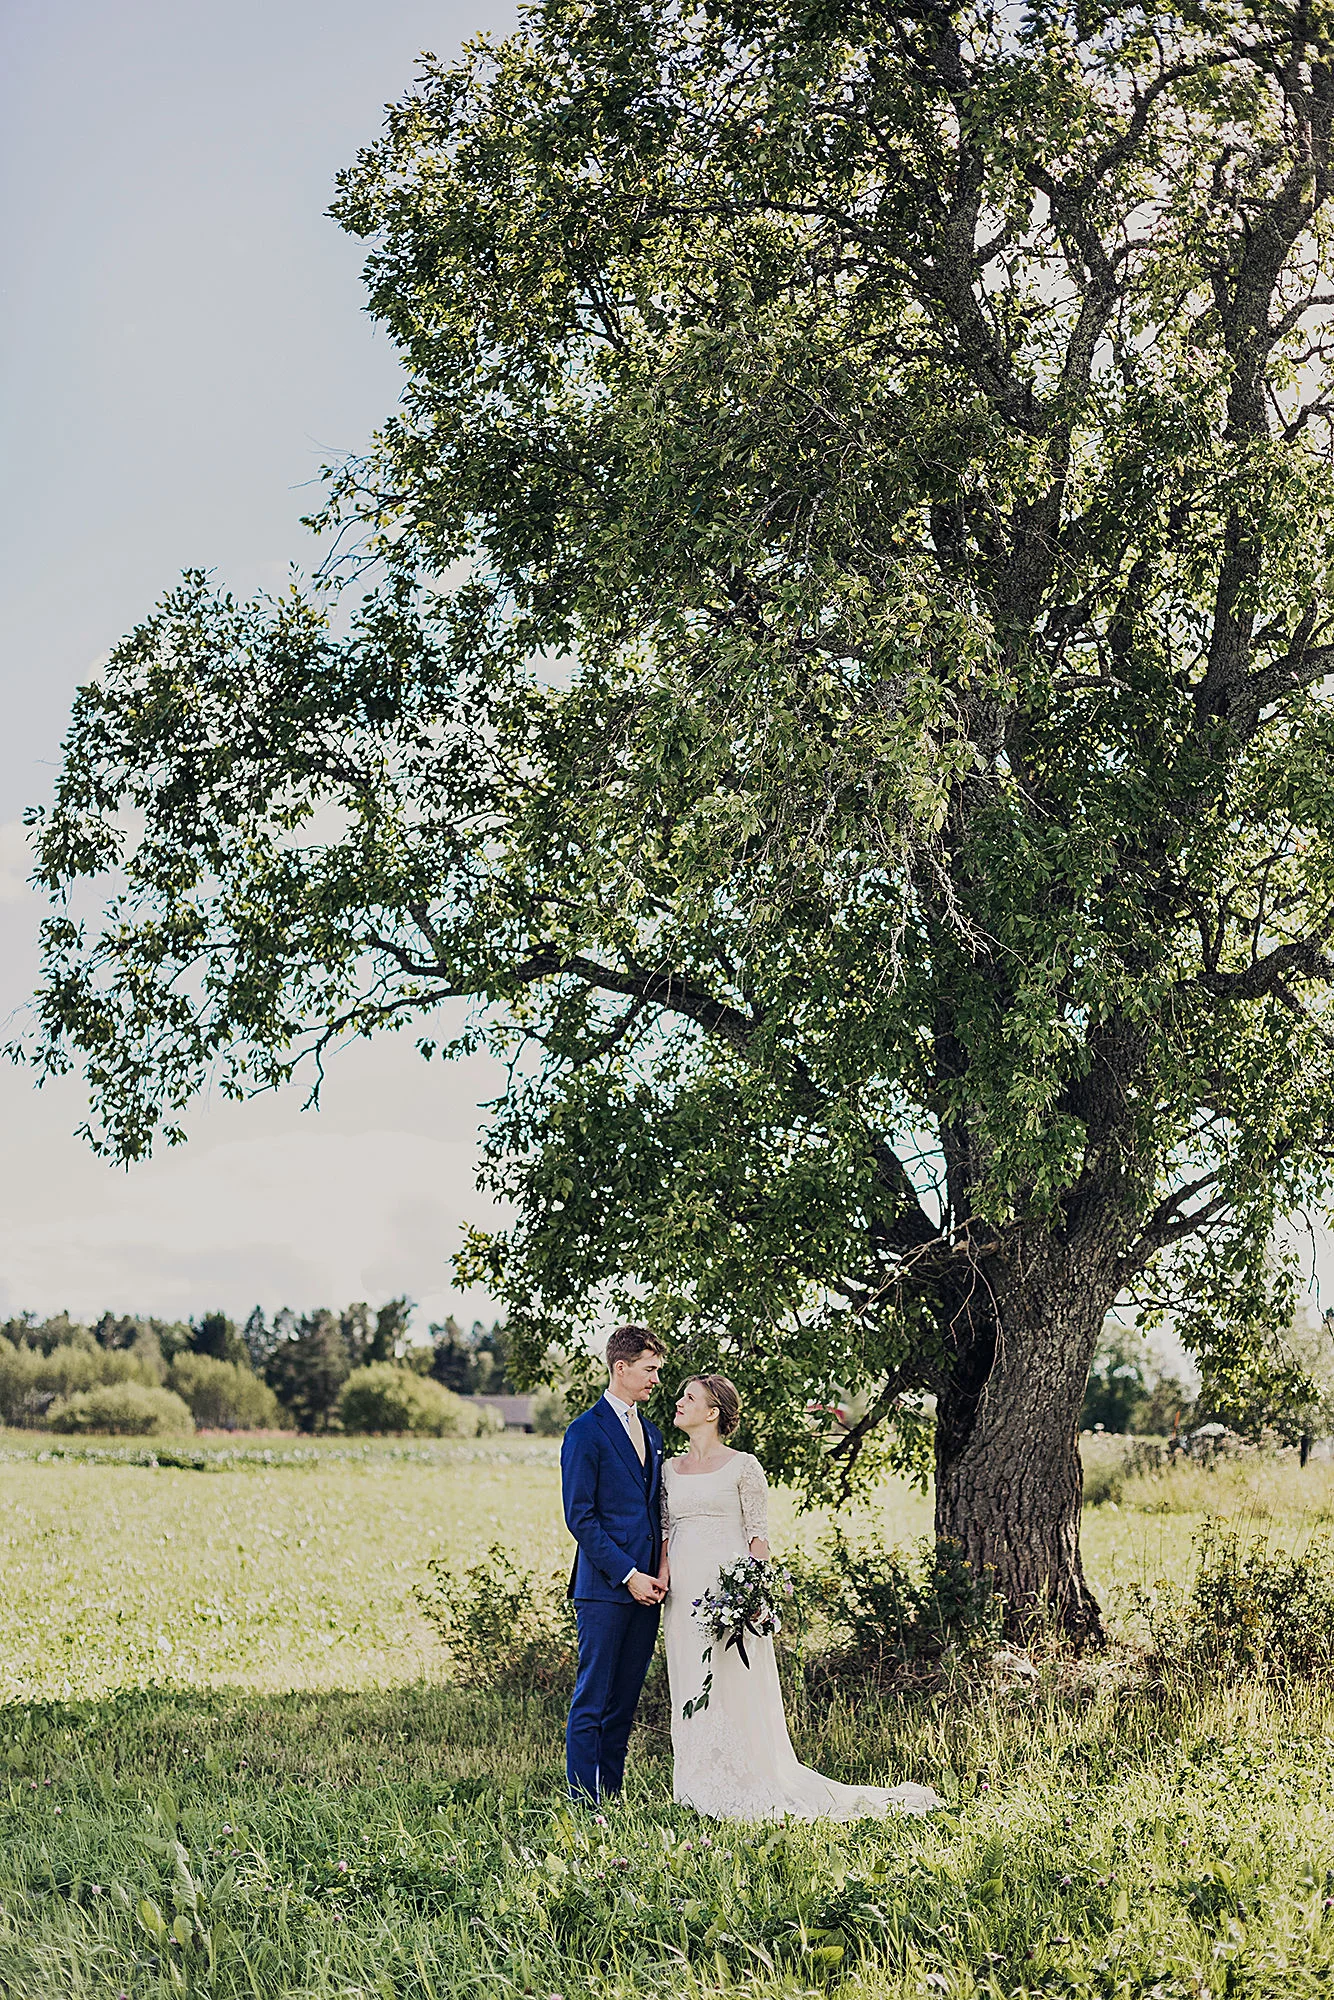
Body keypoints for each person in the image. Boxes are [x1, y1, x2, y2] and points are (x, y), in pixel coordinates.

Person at [658, 1372, 944, 1822]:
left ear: (712, 1413)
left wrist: (754, 1594)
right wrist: (663, 1578)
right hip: (685, 1595)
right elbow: (664, 1532)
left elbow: (758, 1537)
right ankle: (697, 1784)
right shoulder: (668, 1470)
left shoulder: (743, 1466)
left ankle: (748, 1778)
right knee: (691, 1679)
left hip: (730, 1593)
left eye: (689, 1397)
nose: (679, 1402)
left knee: (736, 1684)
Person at [560, 1325, 667, 1804]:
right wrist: (628, 1574)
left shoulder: (653, 1433)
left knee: (624, 1701)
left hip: (649, 1592)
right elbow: (580, 1517)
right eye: (649, 1370)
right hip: (605, 1588)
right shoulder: (585, 1431)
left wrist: (656, 1576)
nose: (656, 1380)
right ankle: (585, 1803)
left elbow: (654, 1513)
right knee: (593, 1700)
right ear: (620, 1368)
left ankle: (612, 1796)